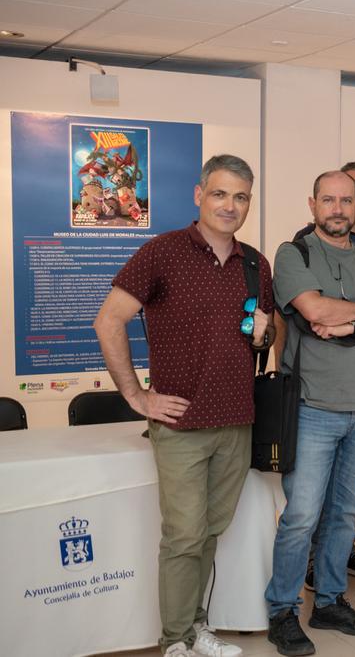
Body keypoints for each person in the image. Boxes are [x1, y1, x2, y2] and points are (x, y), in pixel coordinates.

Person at [94, 154, 274, 657]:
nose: (229, 205)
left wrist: (266, 335)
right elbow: (109, 321)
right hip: (180, 423)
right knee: (183, 536)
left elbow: (259, 335)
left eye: (240, 197)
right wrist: (136, 395)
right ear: (199, 195)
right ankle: (175, 639)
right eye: (219, 194)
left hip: (237, 420)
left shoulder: (257, 263)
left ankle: (195, 627)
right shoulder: (162, 252)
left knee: (209, 533)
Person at [265, 170, 355, 656]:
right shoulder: (295, 253)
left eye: (346, 200)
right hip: (311, 407)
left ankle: (328, 601)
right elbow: (313, 311)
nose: (337, 208)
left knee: (344, 514)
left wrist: (353, 320)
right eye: (327, 199)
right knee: (302, 516)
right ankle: (282, 610)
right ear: (313, 204)